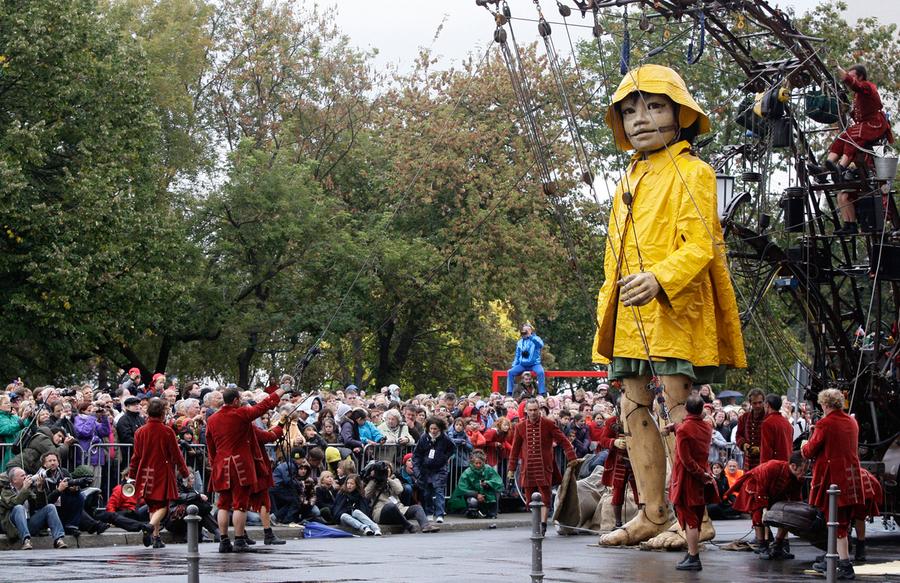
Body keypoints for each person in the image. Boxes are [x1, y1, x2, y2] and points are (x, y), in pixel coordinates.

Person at [592, 64, 746, 548]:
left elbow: (700, 244)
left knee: (679, 411)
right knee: (632, 405)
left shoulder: (694, 171)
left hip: (673, 309)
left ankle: (694, 518)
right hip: (628, 315)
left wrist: (661, 278)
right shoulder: (627, 179)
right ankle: (653, 512)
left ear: (680, 114)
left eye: (654, 106)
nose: (640, 118)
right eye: (630, 110)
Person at [807, 64, 894, 233]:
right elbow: (858, 112)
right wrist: (849, 111)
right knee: (842, 137)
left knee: (852, 136)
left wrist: (839, 69)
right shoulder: (857, 96)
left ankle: (840, 167)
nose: (848, 79)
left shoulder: (867, 87)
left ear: (860, 76)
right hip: (864, 125)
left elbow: (853, 83)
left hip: (875, 124)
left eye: (852, 75)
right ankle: (825, 168)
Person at [205, 383, 288, 553]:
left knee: (223, 504)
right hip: (239, 465)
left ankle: (224, 540)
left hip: (221, 463)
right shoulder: (240, 413)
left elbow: (210, 445)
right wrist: (281, 390)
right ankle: (240, 540)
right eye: (240, 399)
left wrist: (215, 463)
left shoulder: (212, 419)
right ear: (235, 400)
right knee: (240, 504)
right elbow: (264, 406)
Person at [801, 388, 865, 580]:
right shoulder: (852, 422)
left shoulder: (825, 423)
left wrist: (807, 442)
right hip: (851, 474)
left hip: (832, 478)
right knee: (839, 520)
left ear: (826, 404)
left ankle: (844, 564)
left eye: (821, 404)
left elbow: (809, 452)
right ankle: (834, 557)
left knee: (835, 522)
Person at [663, 395, 718, 571]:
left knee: (689, 518)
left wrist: (700, 474)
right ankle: (691, 552)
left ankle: (694, 556)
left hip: (688, 478)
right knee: (695, 515)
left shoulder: (684, 430)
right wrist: (675, 426)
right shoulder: (707, 426)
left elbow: (686, 460)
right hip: (701, 474)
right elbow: (692, 427)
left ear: (686, 409)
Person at [128, 398, 190, 549]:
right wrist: (185, 473)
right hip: (162, 472)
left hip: (145, 472)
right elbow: (177, 455)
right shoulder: (167, 431)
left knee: (152, 506)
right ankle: (150, 527)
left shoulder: (140, 431)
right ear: (162, 413)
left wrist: (131, 475)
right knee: (163, 506)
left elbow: (136, 456)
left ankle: (156, 537)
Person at [508, 398, 576, 535]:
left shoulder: (548, 424)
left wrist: (572, 457)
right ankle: (537, 522)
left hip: (545, 467)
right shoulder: (520, 427)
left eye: (535, 410)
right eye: (530, 410)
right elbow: (515, 449)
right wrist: (511, 468)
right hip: (528, 468)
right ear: (526, 411)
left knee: (545, 497)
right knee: (530, 500)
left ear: (539, 410)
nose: (533, 412)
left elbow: (563, 440)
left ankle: (543, 525)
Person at [723, 452, 808, 560]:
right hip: (756, 487)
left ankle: (778, 545)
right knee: (758, 514)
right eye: (802, 470)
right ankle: (762, 545)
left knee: (789, 513)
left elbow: (796, 498)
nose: (804, 473)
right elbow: (761, 488)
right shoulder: (772, 467)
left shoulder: (798, 478)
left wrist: (797, 512)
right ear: (794, 466)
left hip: (776, 493)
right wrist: (764, 509)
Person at [0, 466, 67, 549]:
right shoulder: (6, 492)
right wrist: (24, 489)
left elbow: (40, 505)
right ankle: (26, 541)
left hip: (29, 523)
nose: (26, 477)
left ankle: (58, 539)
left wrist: (40, 489)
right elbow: (14, 503)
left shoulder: (28, 490)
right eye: (22, 476)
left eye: (25, 475)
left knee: (50, 507)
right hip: (15, 527)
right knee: (19, 508)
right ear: (14, 480)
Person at [364, 461, 436, 533]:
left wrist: (387, 479)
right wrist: (373, 480)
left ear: (391, 470)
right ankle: (408, 526)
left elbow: (400, 490)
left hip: (400, 509)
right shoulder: (373, 482)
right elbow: (365, 495)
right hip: (381, 513)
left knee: (417, 508)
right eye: (385, 469)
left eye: (388, 468)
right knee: (391, 506)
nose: (386, 470)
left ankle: (426, 526)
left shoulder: (395, 480)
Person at [595, 412, 637, 528]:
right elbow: (603, 440)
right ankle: (618, 523)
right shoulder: (611, 421)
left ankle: (641, 518)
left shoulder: (637, 417)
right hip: (619, 461)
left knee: (639, 492)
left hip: (636, 459)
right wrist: (614, 442)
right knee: (618, 491)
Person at [412, 416, 455, 524]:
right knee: (427, 493)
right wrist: (417, 471)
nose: (433, 431)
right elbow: (416, 454)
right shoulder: (423, 438)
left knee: (439, 490)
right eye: (431, 428)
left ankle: (440, 514)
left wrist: (444, 458)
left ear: (440, 428)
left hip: (440, 468)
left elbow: (452, 448)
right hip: (426, 469)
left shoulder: (445, 438)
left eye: (435, 429)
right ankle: (429, 513)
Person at [449, 449, 503, 519]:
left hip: (487, 492)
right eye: (476, 463)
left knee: (496, 491)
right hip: (473, 495)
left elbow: (498, 481)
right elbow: (462, 489)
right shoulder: (467, 472)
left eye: (480, 463)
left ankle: (492, 512)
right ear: (472, 463)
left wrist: (488, 483)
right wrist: (476, 494)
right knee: (472, 501)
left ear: (483, 462)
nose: (478, 465)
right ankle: (472, 512)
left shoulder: (488, 469)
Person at [506, 324, 546, 396]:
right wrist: (514, 365)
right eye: (524, 330)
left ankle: (542, 392)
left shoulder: (536, 338)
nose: (525, 332)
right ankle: (509, 393)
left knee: (540, 372)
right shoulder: (520, 342)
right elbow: (517, 355)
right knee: (510, 372)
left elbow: (540, 345)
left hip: (534, 364)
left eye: (527, 330)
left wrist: (530, 336)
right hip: (522, 365)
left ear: (531, 331)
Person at [736, 388, 765, 471]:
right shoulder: (744, 418)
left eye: (760, 402)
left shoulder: (768, 417)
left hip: (763, 461)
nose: (758, 405)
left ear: (763, 402)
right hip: (748, 462)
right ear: (750, 403)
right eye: (755, 403)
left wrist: (760, 449)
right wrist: (743, 445)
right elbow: (738, 435)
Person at [759, 393, 793, 465]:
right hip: (786, 465)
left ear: (767, 405)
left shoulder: (767, 423)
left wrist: (763, 469)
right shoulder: (787, 423)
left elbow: (766, 451)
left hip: (774, 467)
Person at [115, 396, 145, 466]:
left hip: (141, 452)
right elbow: (126, 437)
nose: (137, 406)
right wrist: (141, 444)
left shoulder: (141, 419)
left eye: (138, 404)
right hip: (129, 453)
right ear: (127, 407)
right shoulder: (123, 420)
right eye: (134, 404)